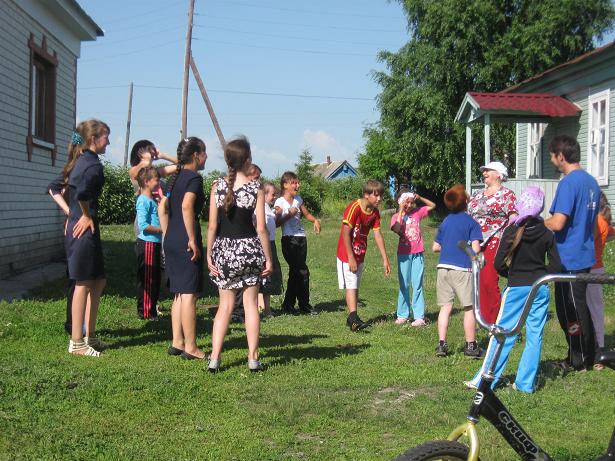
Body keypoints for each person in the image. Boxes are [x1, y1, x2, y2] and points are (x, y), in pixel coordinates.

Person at [466, 187, 561, 392]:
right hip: (540, 288)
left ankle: (485, 380)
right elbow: (556, 266)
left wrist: (512, 275)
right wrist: (539, 274)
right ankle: (525, 384)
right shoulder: (547, 233)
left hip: (517, 288)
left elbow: (498, 264)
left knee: (503, 333)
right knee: (535, 335)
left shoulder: (511, 230)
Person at [206, 137, 272, 372]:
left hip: (224, 251)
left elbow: (212, 226)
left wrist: (209, 254)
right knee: (251, 305)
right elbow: (261, 228)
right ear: (248, 160)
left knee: (224, 307)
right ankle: (253, 359)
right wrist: (268, 258)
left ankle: (214, 358)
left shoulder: (216, 186)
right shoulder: (257, 188)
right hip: (249, 251)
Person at [545, 134, 601, 371]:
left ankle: (578, 359)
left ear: (561, 156)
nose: (551, 160)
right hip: (584, 253)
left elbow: (558, 222)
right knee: (580, 306)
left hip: (568, 256)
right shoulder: (591, 182)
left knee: (570, 310)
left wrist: (534, 224)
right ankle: (589, 355)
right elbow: (592, 224)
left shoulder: (568, 183)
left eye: (552, 156)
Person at [64, 119, 110, 357]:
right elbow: (81, 193)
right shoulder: (91, 164)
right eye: (106, 137)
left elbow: (71, 189)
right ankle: (77, 342)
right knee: (83, 283)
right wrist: (84, 215)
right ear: (93, 139)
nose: (108, 142)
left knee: (97, 281)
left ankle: (89, 335)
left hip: (84, 226)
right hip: (83, 229)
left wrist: (76, 215)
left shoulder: (83, 160)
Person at [161, 137, 208, 360]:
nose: (206, 157)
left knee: (179, 293)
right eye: (204, 152)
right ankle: (191, 347)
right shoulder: (194, 178)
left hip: (171, 237)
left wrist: (168, 233)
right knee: (189, 293)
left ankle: (177, 341)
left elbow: (163, 207)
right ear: (196, 155)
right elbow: (187, 205)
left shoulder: (174, 177)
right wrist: (191, 238)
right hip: (185, 239)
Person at [433, 184, 483, 358]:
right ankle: (471, 346)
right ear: (466, 202)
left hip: (442, 268)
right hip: (462, 269)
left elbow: (435, 247)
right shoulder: (471, 223)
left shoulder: (446, 221)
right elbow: (475, 249)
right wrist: (470, 252)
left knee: (445, 307)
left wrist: (449, 246)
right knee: (469, 308)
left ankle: (442, 345)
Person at [337, 180, 391, 331]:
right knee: (351, 283)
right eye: (376, 195)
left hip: (360, 252)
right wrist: (350, 257)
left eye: (381, 195)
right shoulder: (354, 208)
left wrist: (385, 259)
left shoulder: (375, 213)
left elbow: (378, 235)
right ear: (366, 195)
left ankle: (352, 318)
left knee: (355, 284)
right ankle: (353, 319)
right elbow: (345, 233)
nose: (379, 198)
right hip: (346, 253)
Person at [467, 161, 517, 324]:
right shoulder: (477, 195)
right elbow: (468, 215)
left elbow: (513, 218)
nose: (484, 173)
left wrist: (510, 241)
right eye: (484, 171)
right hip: (474, 242)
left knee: (489, 281)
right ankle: (482, 320)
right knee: (478, 282)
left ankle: (494, 321)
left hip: (495, 241)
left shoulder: (507, 195)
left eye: (488, 170)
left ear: (499, 174)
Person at [274, 171, 321, 315]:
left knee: (296, 272)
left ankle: (288, 304)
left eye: (298, 182)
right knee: (303, 271)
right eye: (294, 183)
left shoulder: (298, 199)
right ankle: (304, 305)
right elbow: (276, 223)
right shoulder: (279, 202)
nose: (298, 185)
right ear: (285, 185)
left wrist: (315, 220)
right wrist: (289, 215)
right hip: (289, 240)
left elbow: (306, 214)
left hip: (301, 239)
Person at [390, 189, 436, 326]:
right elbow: (396, 229)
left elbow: (432, 205)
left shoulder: (417, 213)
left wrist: (420, 197)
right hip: (404, 255)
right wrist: (401, 210)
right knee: (404, 285)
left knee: (417, 284)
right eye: (406, 203)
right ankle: (402, 315)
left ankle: (419, 316)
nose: (409, 205)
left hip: (418, 253)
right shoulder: (395, 217)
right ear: (400, 202)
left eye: (411, 203)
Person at [587, 192, 615, 370]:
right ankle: (596, 345)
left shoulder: (597, 220)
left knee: (594, 310)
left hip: (590, 269)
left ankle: (598, 348)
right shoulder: (604, 220)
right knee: (594, 308)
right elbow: (611, 234)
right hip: (597, 267)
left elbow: (587, 240)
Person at [135, 167, 163, 320]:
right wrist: (161, 229)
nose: (159, 182)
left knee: (155, 278)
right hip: (148, 244)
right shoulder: (143, 201)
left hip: (154, 244)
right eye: (156, 180)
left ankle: (151, 309)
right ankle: (145, 312)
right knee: (148, 279)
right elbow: (143, 225)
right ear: (146, 182)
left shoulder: (152, 199)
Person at [258, 182, 283, 319]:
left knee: (269, 277)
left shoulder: (267, 208)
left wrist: (277, 214)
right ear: (264, 194)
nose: (275, 197)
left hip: (270, 244)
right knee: (264, 277)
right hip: (263, 245)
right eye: (273, 194)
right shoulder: (259, 208)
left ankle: (265, 307)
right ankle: (264, 309)